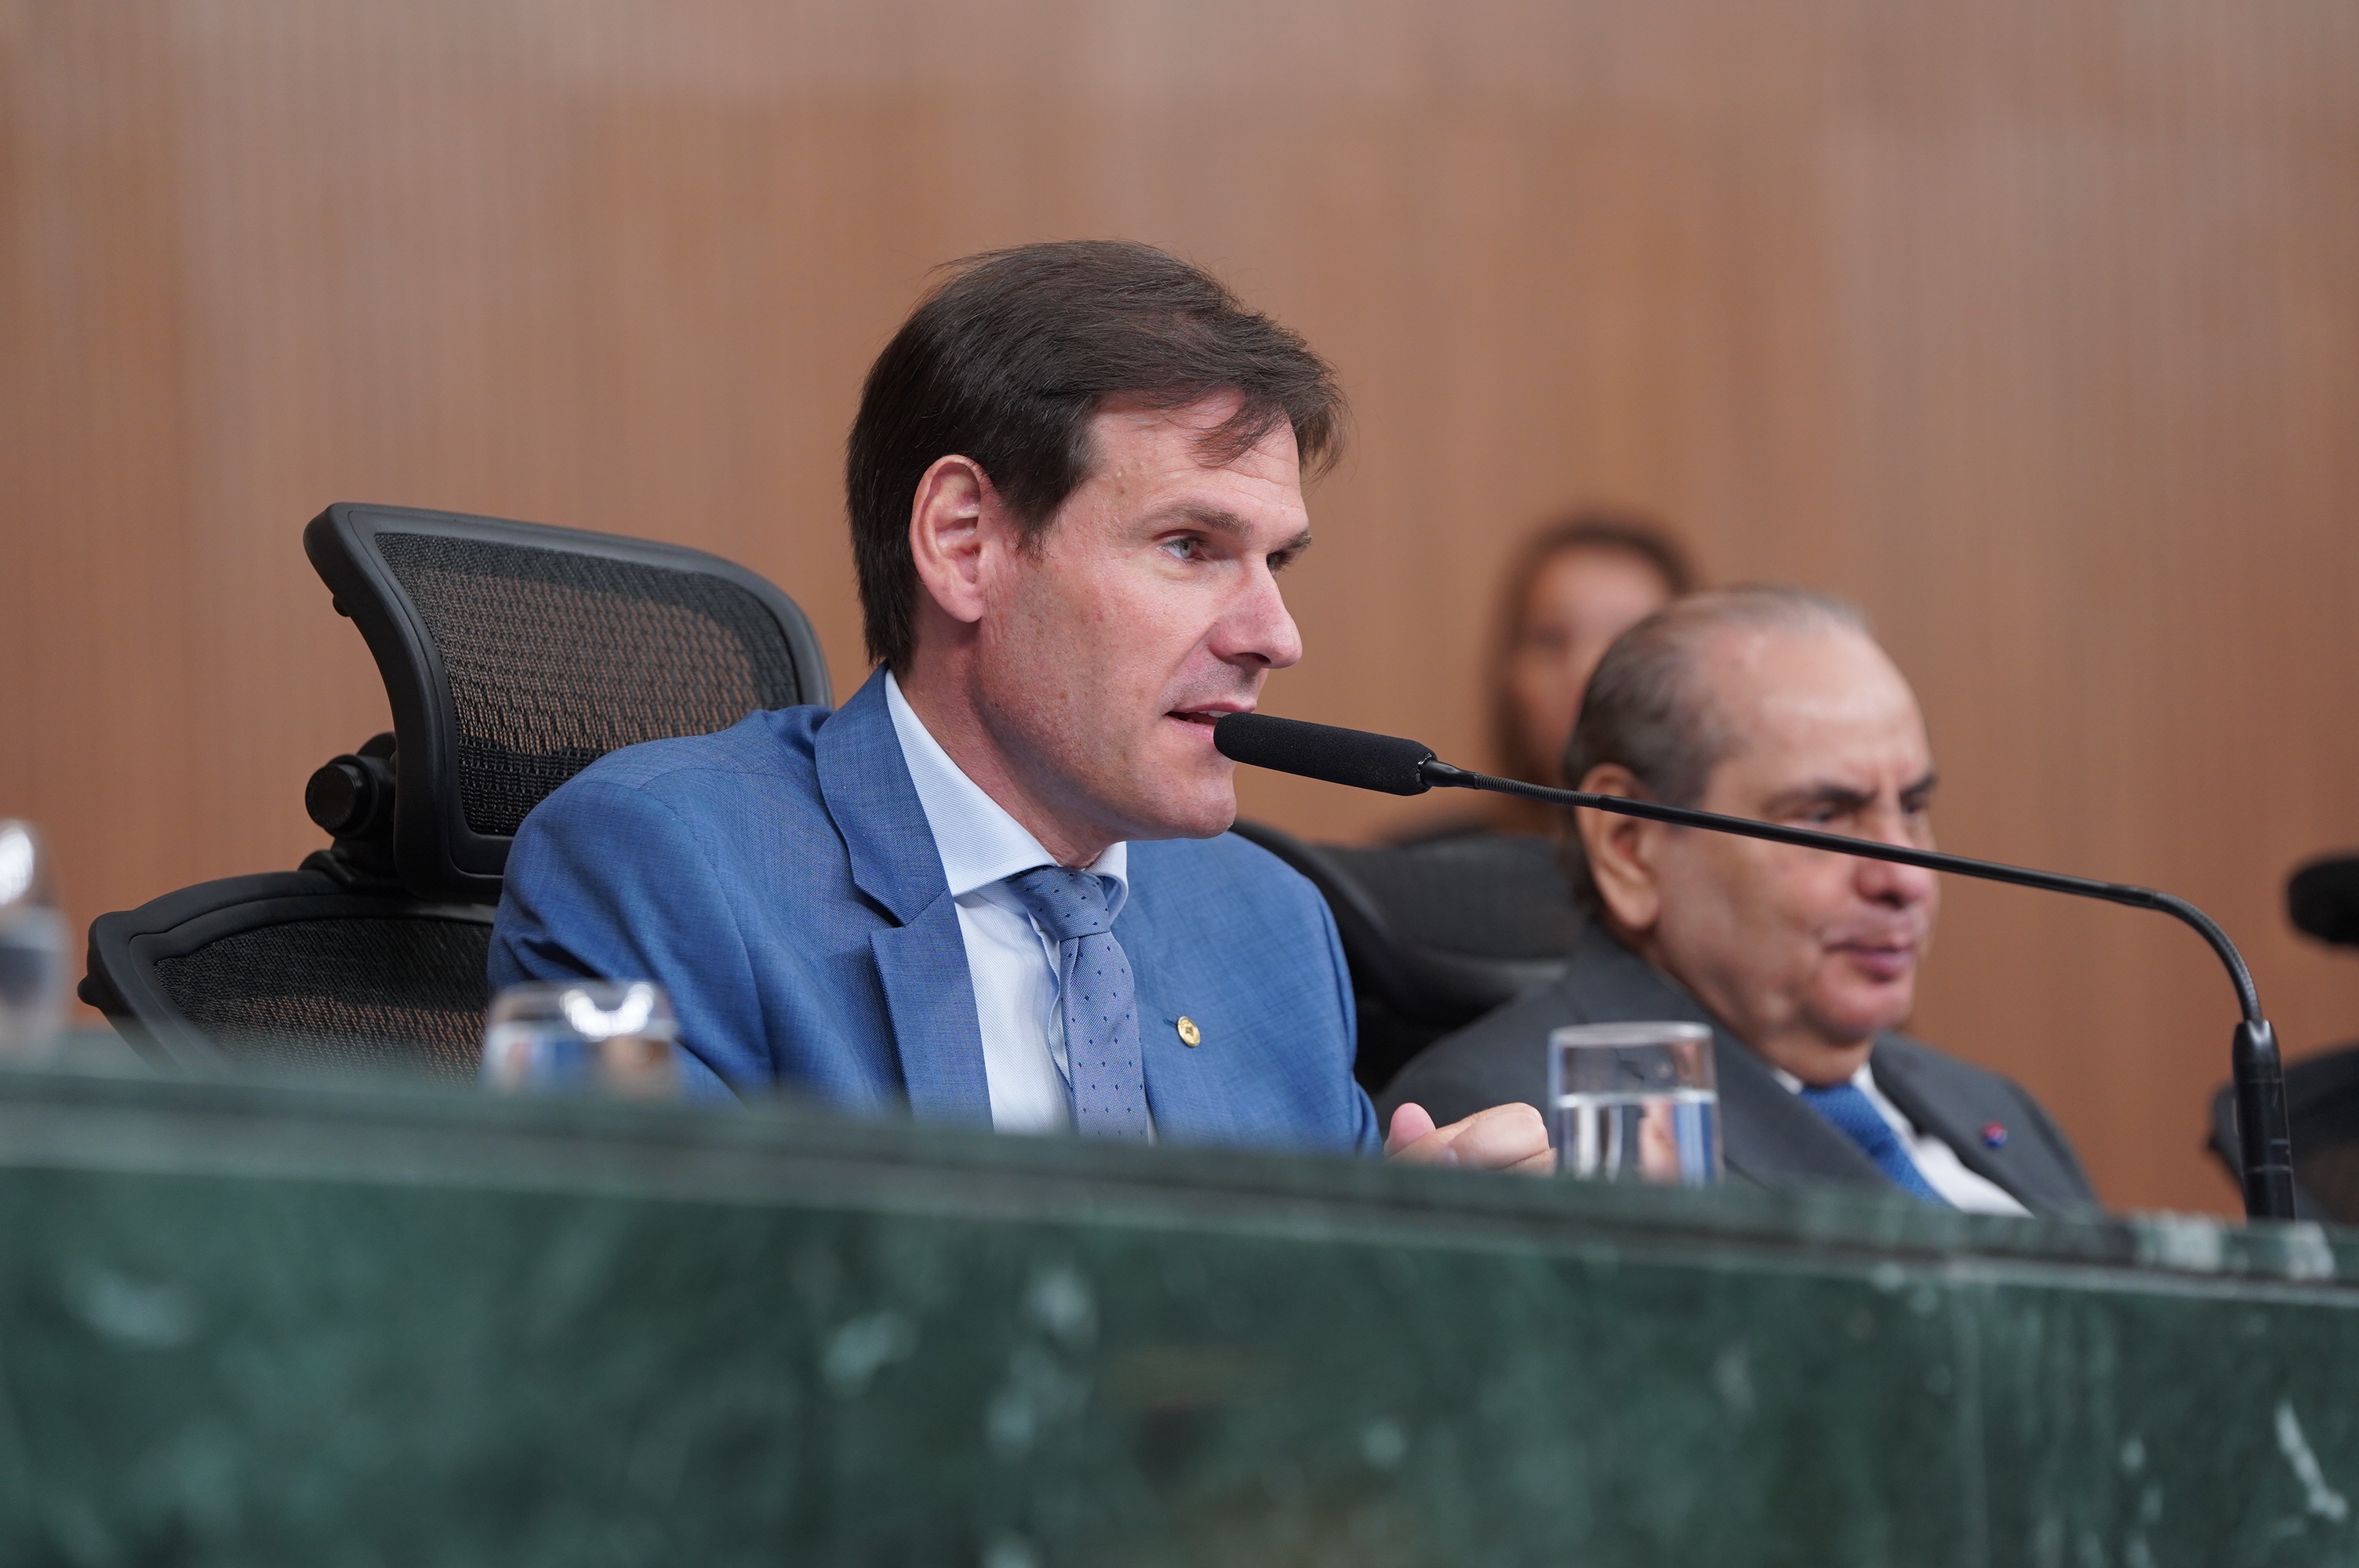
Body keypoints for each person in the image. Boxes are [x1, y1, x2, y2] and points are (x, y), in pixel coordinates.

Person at [491, 239, 1548, 1174]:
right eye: (1190, 546)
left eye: (1276, 562)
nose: (1275, 636)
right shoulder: (664, 868)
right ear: (966, 544)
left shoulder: (1265, 924)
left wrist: (1404, 1278)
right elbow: (639, 1307)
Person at [1380, 586, 2097, 1214]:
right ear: (1630, 844)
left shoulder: (1995, 1107)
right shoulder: (1517, 1130)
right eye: (1824, 815)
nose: (1905, 878)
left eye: (1911, 808)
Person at [1463, 512, 1698, 839]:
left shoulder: (1744, 856)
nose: (1584, 668)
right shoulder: (1419, 863)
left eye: (1625, 643)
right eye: (1551, 639)